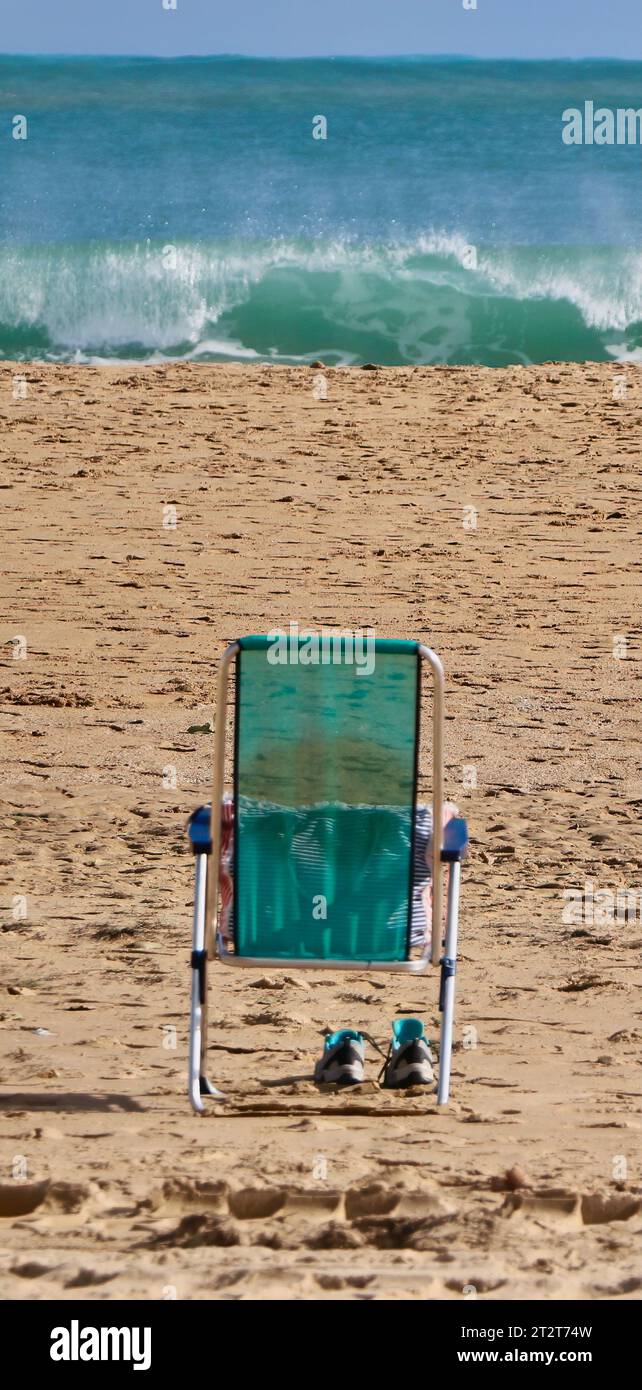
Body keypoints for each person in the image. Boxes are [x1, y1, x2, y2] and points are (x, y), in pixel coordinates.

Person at [217, 796, 458, 1090]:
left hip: (263, 933)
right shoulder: (421, 823)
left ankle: (343, 1057)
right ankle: (413, 1055)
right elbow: (454, 842)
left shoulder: (241, 818)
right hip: (391, 934)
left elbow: (204, 830)